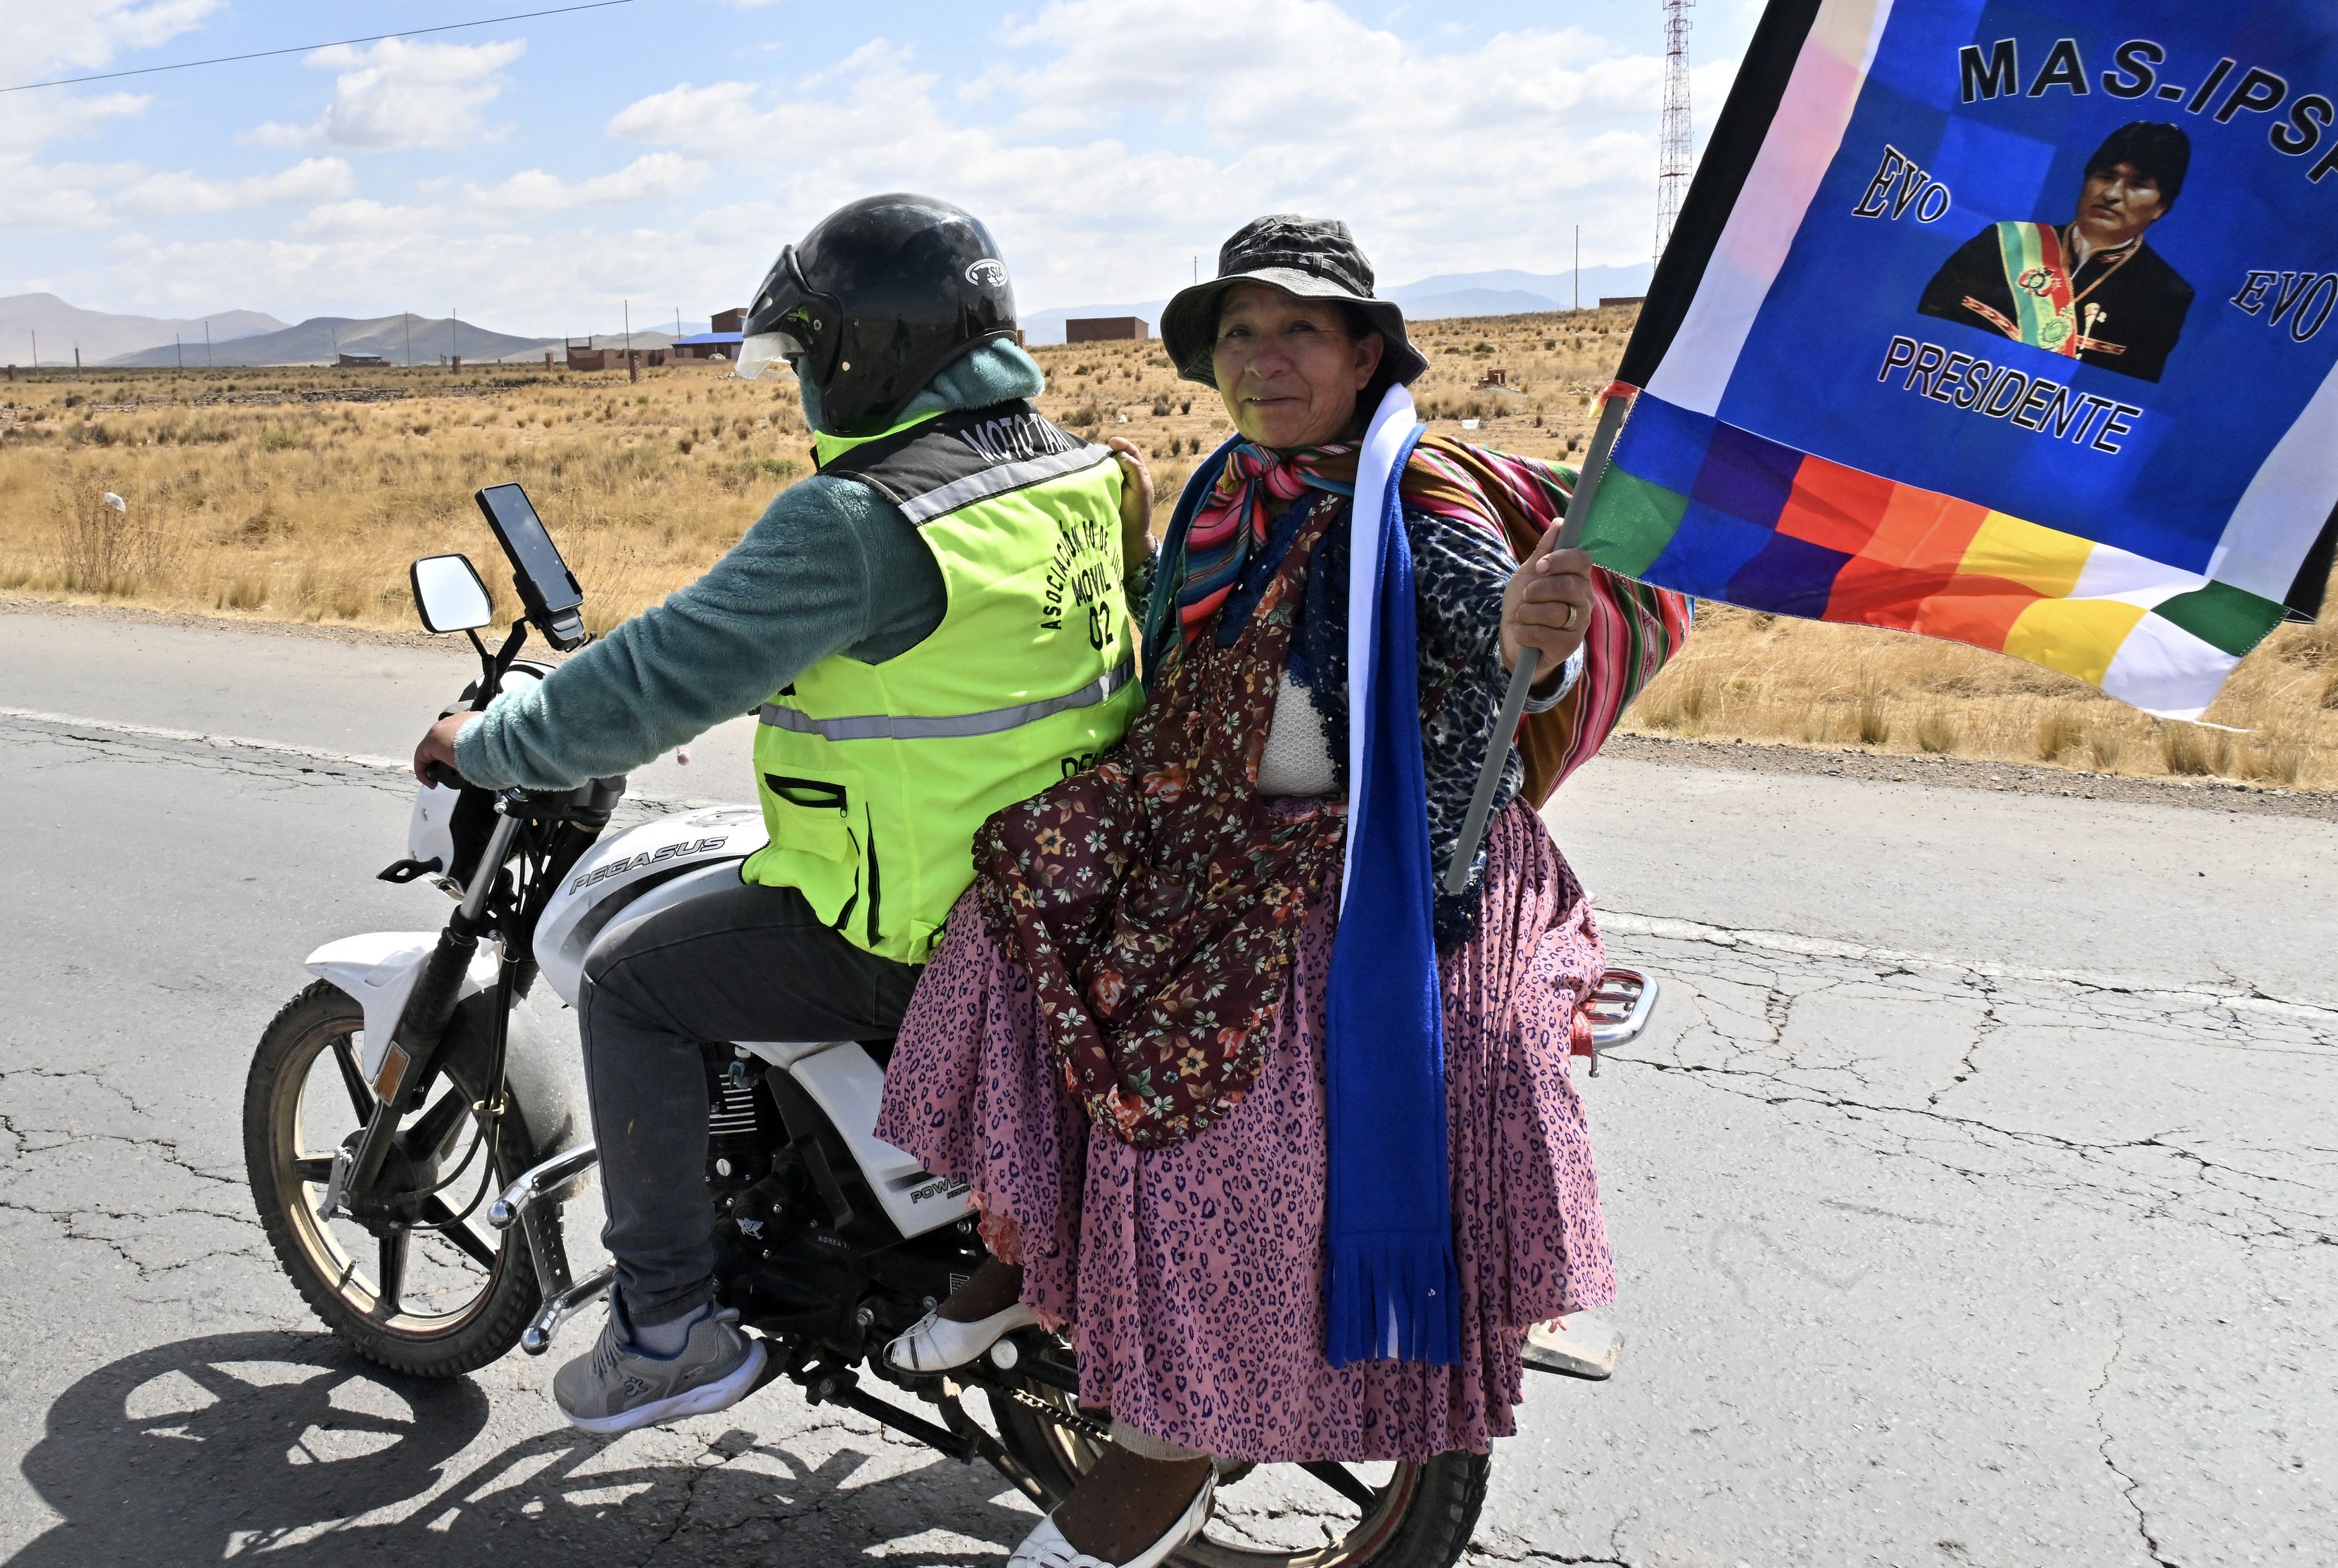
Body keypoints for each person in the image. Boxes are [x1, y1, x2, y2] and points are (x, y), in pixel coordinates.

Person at [875, 216, 1688, 1568]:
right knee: (1010, 893)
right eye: (1239, 334)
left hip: (1350, 856)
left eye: (1297, 329)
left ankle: (1167, 1441)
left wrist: (1530, 646)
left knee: (1199, 1121)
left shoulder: (1414, 499)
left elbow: (1492, 660)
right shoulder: (1223, 488)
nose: (1263, 359)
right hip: (1204, 824)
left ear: (1366, 351)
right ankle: (1028, 1239)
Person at [413, 193, 1145, 1435]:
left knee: (634, 981)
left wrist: (491, 744)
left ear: (868, 352)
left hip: (917, 923)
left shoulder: (862, 518)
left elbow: (652, 678)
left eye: (806, 357)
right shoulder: (1077, 469)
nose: (801, 384)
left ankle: (666, 1331)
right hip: (1064, 893)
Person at [1917, 119, 2195, 382]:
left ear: (2162, 206)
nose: (2112, 194)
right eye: (2106, 176)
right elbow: (1925, 328)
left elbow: (2121, 391)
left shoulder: (2164, 295)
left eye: (2137, 185)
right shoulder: (2002, 242)